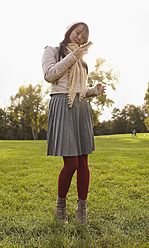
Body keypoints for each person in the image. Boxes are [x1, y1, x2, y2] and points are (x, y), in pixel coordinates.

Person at [42, 21, 106, 225]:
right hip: (61, 104)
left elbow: (80, 90)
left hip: (80, 107)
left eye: (84, 37)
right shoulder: (51, 50)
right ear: (69, 31)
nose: (80, 38)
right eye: (78, 32)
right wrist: (73, 56)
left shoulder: (83, 63)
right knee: (71, 163)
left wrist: (94, 91)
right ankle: (60, 209)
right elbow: (49, 75)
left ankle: (82, 211)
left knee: (84, 162)